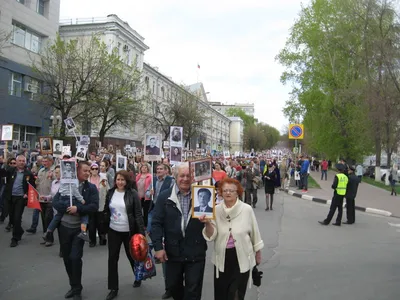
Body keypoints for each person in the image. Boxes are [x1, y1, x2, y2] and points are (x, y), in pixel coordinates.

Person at [151, 162, 207, 300]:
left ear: (193, 177)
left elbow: (213, 224)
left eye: (188, 175)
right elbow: (156, 223)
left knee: (193, 290)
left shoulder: (203, 195)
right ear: (175, 177)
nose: (185, 179)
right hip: (173, 252)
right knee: (173, 286)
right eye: (182, 175)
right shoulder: (165, 197)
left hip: (195, 252)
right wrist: (158, 247)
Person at [201, 177, 264, 300]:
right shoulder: (216, 209)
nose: (228, 193)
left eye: (231, 191)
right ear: (220, 192)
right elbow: (211, 236)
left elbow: (255, 232)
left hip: (242, 257)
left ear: (238, 192)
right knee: (221, 294)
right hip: (222, 259)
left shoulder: (246, 209)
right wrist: (207, 223)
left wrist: (258, 253)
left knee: (236, 294)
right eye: (225, 191)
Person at [52, 161, 99, 300]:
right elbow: (55, 202)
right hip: (64, 227)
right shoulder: (66, 185)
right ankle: (73, 285)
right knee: (67, 258)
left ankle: (77, 290)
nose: (87, 173)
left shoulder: (91, 188)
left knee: (75, 258)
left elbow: (94, 206)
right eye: (85, 170)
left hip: (80, 228)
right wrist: (68, 207)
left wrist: (78, 209)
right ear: (77, 171)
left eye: (89, 170)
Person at [103, 170, 145, 300]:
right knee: (112, 259)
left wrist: (141, 234)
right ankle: (113, 288)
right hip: (113, 230)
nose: (120, 182)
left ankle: (138, 276)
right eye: (118, 179)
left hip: (129, 232)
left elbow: (138, 214)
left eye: (122, 180)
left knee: (132, 256)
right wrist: (103, 227)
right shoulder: (110, 193)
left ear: (127, 181)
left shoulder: (132, 194)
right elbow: (106, 210)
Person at [147, 163, 174, 299]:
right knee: (153, 232)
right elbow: (147, 193)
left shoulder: (171, 182)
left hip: (168, 214)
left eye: (161, 169)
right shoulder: (153, 180)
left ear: (167, 171)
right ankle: (168, 287)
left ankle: (176, 286)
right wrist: (149, 193)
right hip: (155, 211)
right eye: (157, 169)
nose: (158, 171)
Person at [0, 155, 36, 247]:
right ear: (16, 162)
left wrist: (27, 194)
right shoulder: (11, 171)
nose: (21, 162)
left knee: (17, 217)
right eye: (19, 161)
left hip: (20, 198)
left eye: (23, 161)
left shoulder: (28, 173)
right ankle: (19, 230)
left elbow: (32, 186)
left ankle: (15, 238)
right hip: (10, 197)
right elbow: (3, 176)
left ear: (25, 162)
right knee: (12, 218)